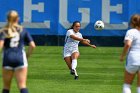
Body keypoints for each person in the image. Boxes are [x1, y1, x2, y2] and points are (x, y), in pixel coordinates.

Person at [0, 10, 36, 93]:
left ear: (7, 19)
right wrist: (27, 56)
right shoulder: (23, 30)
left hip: (7, 58)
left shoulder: (4, 31)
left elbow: (1, 45)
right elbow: (32, 45)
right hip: (20, 58)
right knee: (22, 86)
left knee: (6, 87)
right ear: (17, 19)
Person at [120, 14, 140, 93]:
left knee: (127, 84)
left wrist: (122, 56)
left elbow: (128, 44)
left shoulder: (131, 32)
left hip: (133, 58)